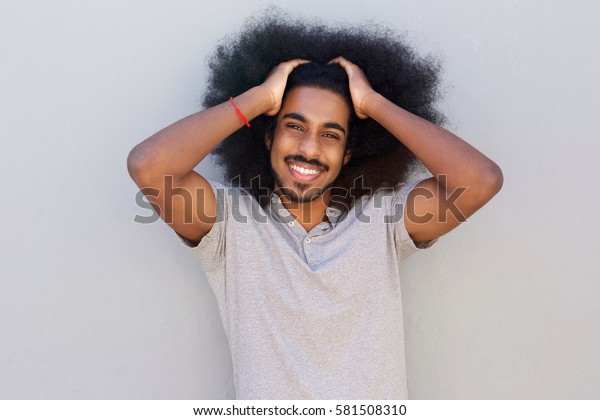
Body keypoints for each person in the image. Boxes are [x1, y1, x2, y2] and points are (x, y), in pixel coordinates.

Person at [127, 12, 503, 399]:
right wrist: (261, 98)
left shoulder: (383, 221)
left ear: (348, 153)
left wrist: (372, 103)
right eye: (295, 126)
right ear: (268, 137)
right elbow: (148, 166)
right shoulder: (229, 225)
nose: (309, 148)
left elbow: (479, 180)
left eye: (330, 134)